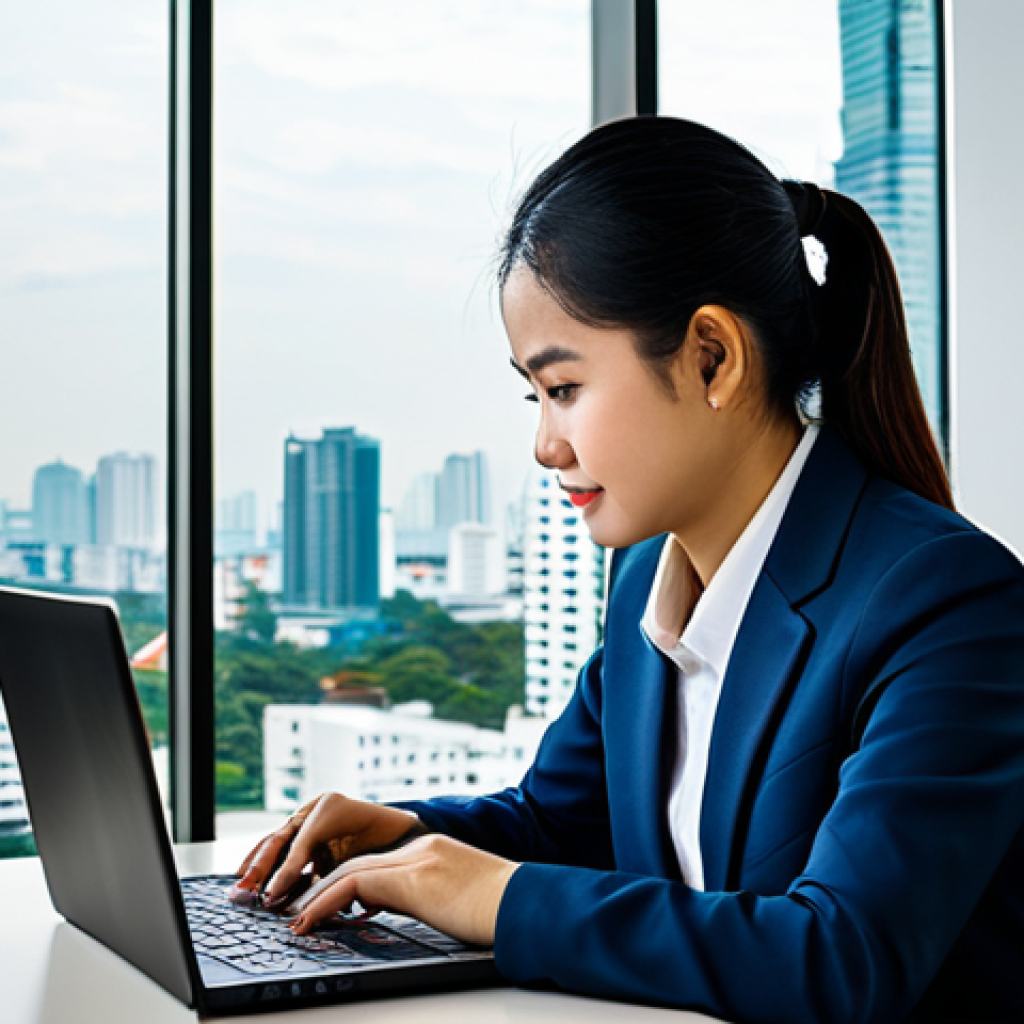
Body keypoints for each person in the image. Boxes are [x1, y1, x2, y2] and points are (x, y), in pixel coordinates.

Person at [234, 117, 1024, 1023]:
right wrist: (415, 835)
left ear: (711, 357)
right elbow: (564, 824)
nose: (543, 444)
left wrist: (494, 897)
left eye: (564, 389)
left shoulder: (947, 602)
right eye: (533, 396)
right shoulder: (648, 581)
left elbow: (841, 957)